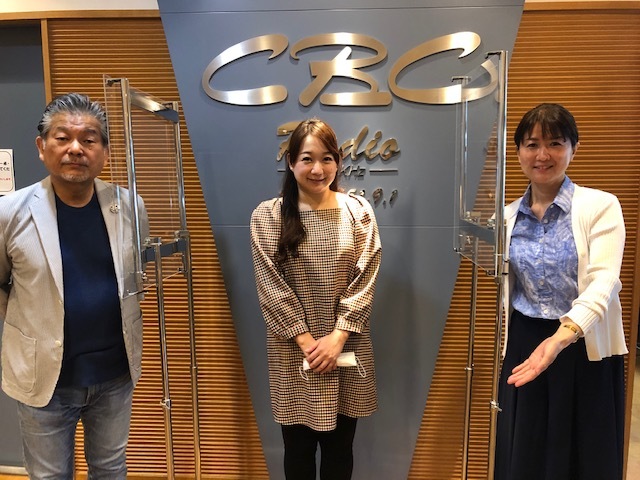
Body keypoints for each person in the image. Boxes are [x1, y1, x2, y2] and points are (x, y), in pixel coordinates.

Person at [0, 93, 149, 479]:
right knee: (49, 476)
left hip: (114, 374)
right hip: (45, 379)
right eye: (63, 137)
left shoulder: (130, 206)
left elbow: (135, 276)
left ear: (105, 152)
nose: (75, 149)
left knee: (110, 469)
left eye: (89, 139)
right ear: (41, 146)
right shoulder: (9, 212)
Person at [495, 103, 627, 480]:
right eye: (532, 144)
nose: (543, 155)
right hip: (526, 344)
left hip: (583, 344)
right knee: (526, 452)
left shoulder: (600, 206)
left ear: (573, 148)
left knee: (584, 456)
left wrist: (560, 338)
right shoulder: (506, 217)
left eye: (555, 143)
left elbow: (604, 282)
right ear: (518, 151)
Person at [250, 118, 381, 480]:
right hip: (293, 351)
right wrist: (309, 343)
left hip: (347, 346)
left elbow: (366, 275)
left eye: (327, 158)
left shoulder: (358, 211)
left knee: (341, 450)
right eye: (307, 159)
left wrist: (337, 338)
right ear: (291, 162)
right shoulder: (268, 216)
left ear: (338, 161)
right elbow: (270, 286)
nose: (317, 169)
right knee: (297, 451)